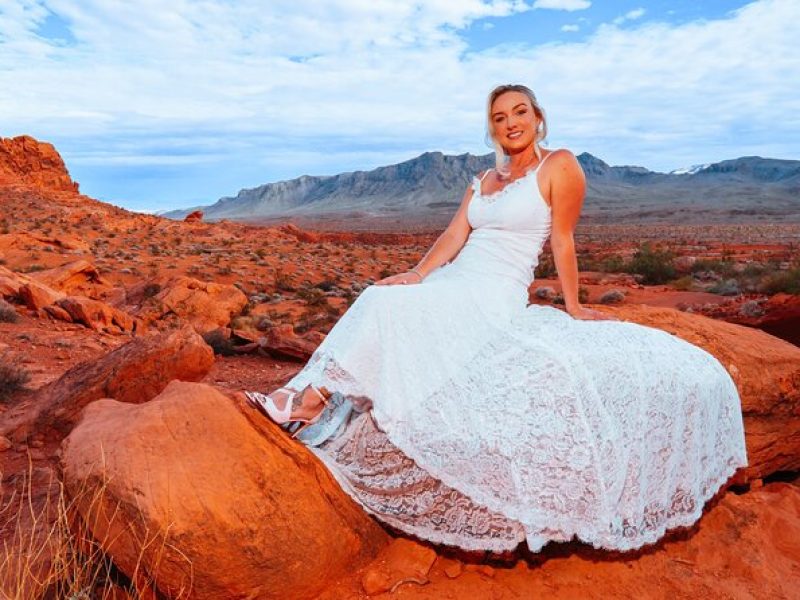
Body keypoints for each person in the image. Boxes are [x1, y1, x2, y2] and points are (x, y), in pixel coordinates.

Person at [239, 84, 748, 554]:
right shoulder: (482, 179)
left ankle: (306, 401)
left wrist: (572, 306)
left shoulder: (561, 166)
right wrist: (417, 274)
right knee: (382, 298)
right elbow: (454, 235)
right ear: (492, 128)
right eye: (500, 116)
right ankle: (308, 400)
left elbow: (563, 239)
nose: (511, 123)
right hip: (454, 280)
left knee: (384, 309)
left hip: (495, 290)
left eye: (520, 112)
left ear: (538, 117)